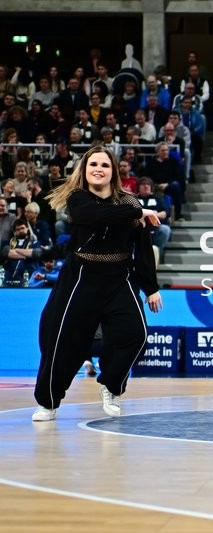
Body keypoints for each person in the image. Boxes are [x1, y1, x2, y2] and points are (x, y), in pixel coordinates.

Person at [32, 145, 163, 422]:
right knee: (60, 340)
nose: (98, 169)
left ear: (113, 171)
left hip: (119, 276)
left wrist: (151, 287)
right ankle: (49, 402)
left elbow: (142, 246)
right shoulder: (78, 199)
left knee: (136, 335)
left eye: (104, 165)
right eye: (93, 165)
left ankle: (111, 385)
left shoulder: (129, 203)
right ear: (85, 170)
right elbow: (96, 216)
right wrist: (139, 211)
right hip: (81, 276)